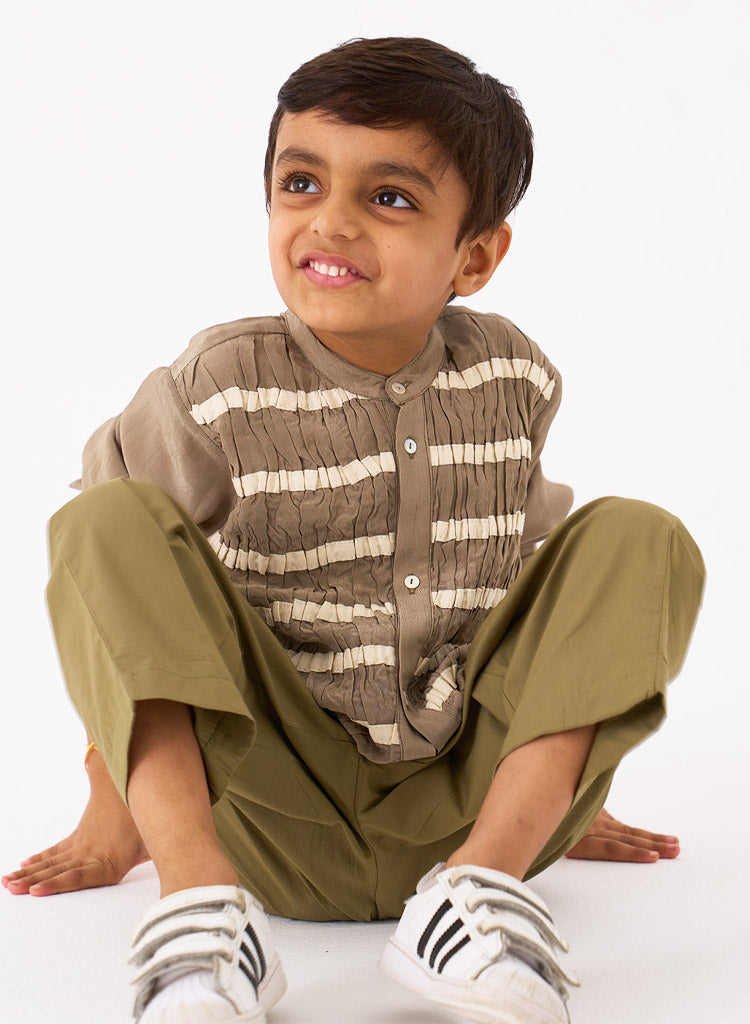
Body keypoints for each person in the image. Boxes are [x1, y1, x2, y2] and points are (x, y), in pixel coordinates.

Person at [2, 36, 704, 1024]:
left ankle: (478, 898)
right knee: (103, 520)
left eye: (389, 197)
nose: (329, 221)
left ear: (476, 256)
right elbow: (113, 597)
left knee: (639, 536)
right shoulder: (215, 386)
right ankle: (202, 911)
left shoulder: (512, 377)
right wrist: (111, 811)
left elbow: (542, 581)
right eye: (301, 183)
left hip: (470, 815)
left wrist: (560, 783)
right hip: (270, 812)